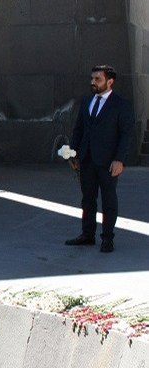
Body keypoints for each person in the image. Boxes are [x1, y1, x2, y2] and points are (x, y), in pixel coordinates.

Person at [65, 65, 134, 253]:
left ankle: (107, 238)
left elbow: (126, 134)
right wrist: (74, 154)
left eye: (97, 79)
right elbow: (79, 129)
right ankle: (87, 234)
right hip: (87, 159)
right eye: (92, 79)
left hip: (108, 161)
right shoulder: (87, 101)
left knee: (108, 200)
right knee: (88, 199)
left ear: (109, 81)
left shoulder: (122, 104)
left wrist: (120, 159)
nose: (92, 82)